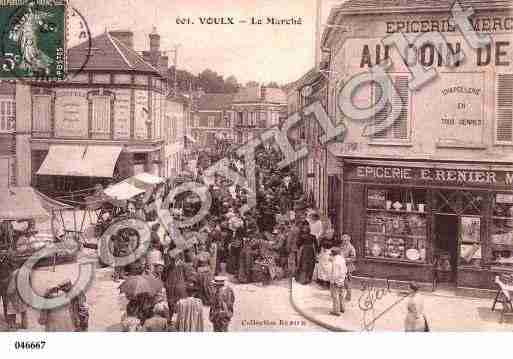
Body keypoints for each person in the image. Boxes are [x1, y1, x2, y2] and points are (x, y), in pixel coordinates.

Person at [296, 220, 317, 285]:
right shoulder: (312, 236)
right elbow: (316, 245)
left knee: (304, 264)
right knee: (308, 264)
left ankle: (304, 279)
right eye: (304, 228)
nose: (305, 229)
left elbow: (298, 244)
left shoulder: (302, 236)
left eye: (306, 228)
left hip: (305, 251)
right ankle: (306, 279)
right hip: (309, 251)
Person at [329, 248, 347, 316]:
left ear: (333, 254)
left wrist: (332, 281)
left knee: (335, 296)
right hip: (342, 280)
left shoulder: (335, 262)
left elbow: (335, 274)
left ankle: (336, 311)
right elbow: (345, 270)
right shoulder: (342, 259)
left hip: (336, 281)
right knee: (341, 295)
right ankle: (342, 308)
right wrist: (342, 279)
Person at [340, 234, 357, 301]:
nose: (344, 241)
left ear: (349, 240)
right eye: (343, 240)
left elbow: (353, 258)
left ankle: (348, 295)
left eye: (345, 240)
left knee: (348, 282)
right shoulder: (341, 246)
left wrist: (345, 259)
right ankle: (343, 295)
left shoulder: (351, 248)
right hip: (342, 266)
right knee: (343, 281)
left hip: (348, 267)